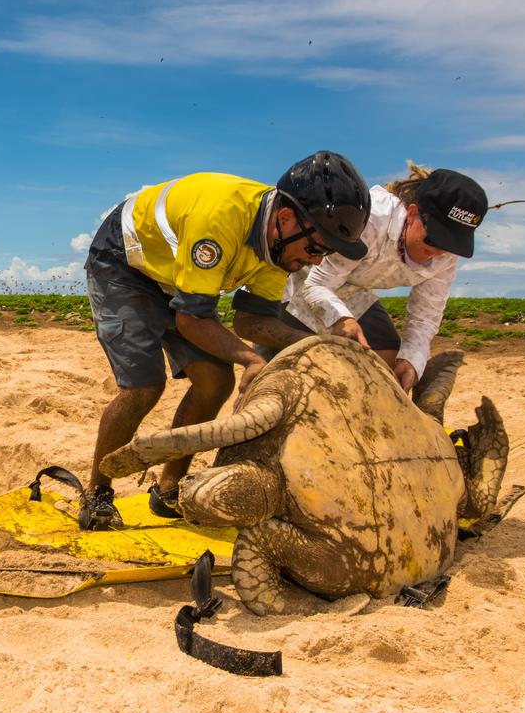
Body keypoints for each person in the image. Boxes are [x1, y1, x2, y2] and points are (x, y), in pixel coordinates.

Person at [80, 151, 371, 529]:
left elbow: (254, 321)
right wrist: (252, 359)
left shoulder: (279, 250)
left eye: (326, 253)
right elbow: (190, 320)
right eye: (316, 248)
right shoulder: (219, 219)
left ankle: (170, 490)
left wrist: (317, 344)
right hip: (125, 265)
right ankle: (97, 494)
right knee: (143, 387)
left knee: (216, 381)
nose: (316, 261)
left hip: (179, 281)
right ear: (285, 219)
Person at [276, 162, 489, 393]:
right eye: (433, 239)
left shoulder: (445, 256)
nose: (438, 252)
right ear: (413, 212)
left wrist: (411, 361)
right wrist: (341, 319)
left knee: (388, 362)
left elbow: (425, 317)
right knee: (276, 374)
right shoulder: (370, 218)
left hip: (354, 290)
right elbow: (317, 284)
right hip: (300, 278)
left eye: (450, 245)